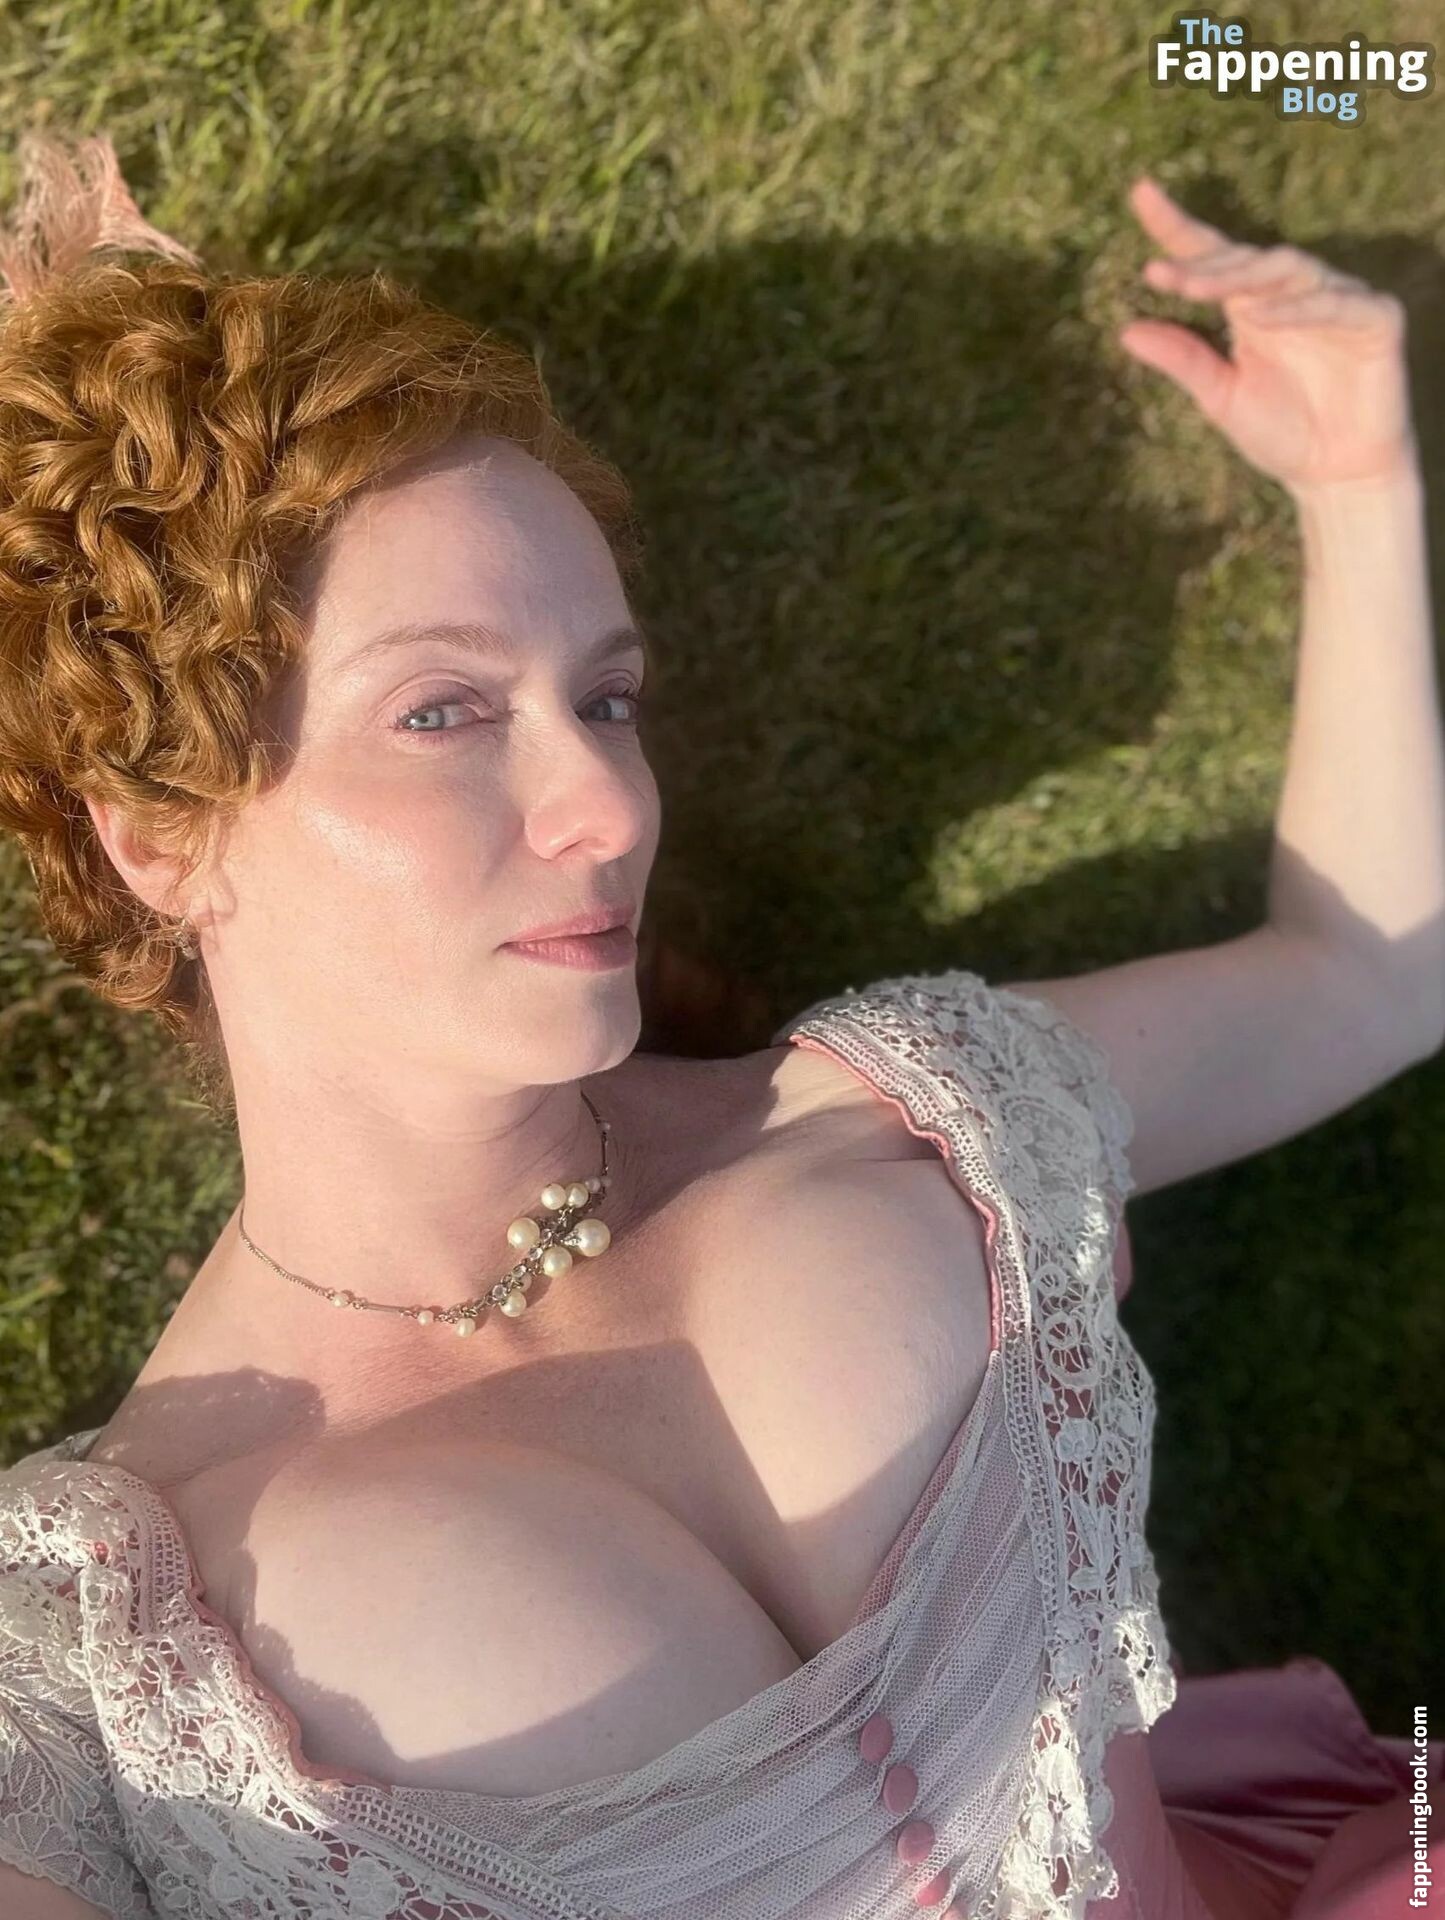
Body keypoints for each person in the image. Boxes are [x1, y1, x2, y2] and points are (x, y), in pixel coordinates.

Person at [0, 127, 1439, 1920]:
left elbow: (1366, 974)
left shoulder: (895, 1116)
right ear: (161, 840)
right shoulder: (100, 1641)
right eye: (444, 712)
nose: (606, 805)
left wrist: (1357, 480)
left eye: (605, 699)